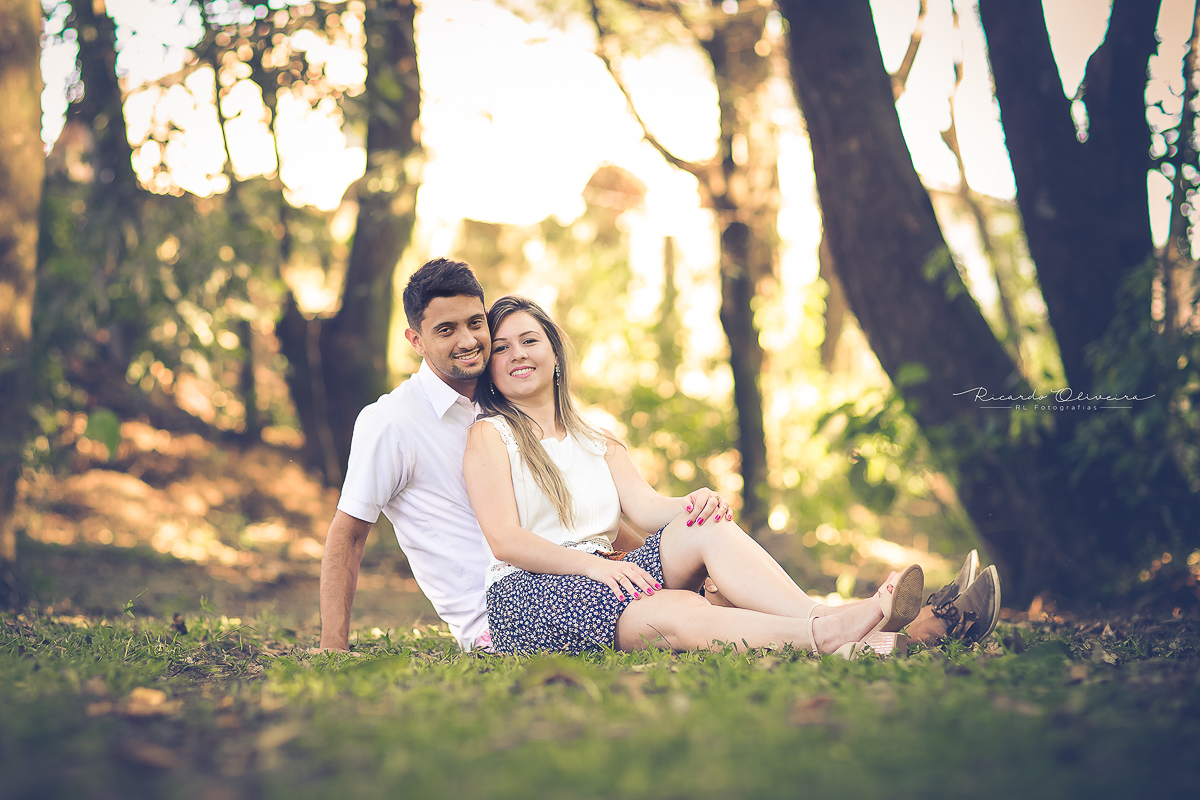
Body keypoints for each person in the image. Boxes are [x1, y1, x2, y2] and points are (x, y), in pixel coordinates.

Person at [463, 295, 929, 657]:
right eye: (501, 348)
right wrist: (595, 567)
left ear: (554, 352)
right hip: (531, 593)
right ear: (492, 370)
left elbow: (646, 510)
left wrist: (696, 503)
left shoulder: (595, 438)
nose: (516, 355)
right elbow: (505, 540)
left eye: (529, 340)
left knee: (704, 523)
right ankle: (831, 632)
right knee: (681, 609)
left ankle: (833, 624)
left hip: (611, 575)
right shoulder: (491, 435)